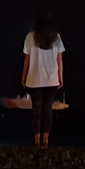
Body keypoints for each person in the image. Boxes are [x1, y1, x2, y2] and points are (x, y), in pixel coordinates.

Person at [21, 8, 64, 149]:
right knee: (47, 110)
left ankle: (37, 140)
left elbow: (26, 59)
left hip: (34, 78)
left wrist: (24, 76)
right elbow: (60, 60)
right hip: (51, 79)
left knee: (36, 110)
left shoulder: (30, 37)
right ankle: (46, 141)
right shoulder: (56, 37)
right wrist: (60, 77)